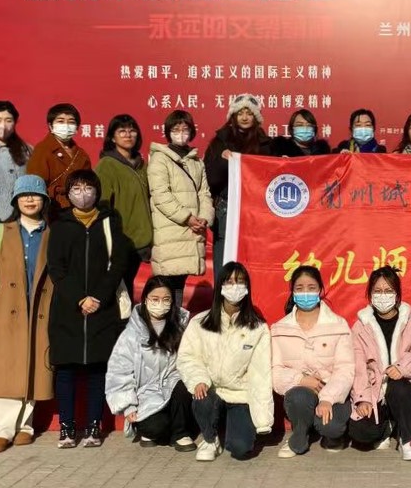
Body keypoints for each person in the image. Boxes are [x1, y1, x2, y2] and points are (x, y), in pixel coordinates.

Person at [0, 175, 55, 453]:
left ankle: (23, 426)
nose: (30, 199)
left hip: (39, 310)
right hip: (4, 310)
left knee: (33, 366)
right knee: (3, 369)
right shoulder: (0, 232)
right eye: (24, 195)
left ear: (44, 200)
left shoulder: (52, 234)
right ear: (16, 201)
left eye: (35, 194)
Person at [47, 169, 129, 449]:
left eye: (88, 187)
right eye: (77, 188)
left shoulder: (109, 222)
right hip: (68, 309)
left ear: (97, 191)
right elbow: (56, 269)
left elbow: (118, 263)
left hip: (102, 309)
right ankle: (67, 427)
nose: (83, 194)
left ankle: (94, 425)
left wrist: (98, 297)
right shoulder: (60, 225)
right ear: (68, 193)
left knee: (97, 370)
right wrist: (79, 299)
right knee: (66, 371)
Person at [177, 261, 273, 461]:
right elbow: (188, 357)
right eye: (229, 282)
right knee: (201, 398)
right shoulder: (200, 322)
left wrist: (263, 420)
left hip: (239, 395)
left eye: (240, 281)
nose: (234, 287)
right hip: (210, 390)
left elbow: (261, 374)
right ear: (220, 286)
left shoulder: (258, 328)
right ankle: (210, 439)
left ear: (247, 287)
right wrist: (199, 380)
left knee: (241, 449)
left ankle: (234, 427)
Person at [347, 267, 411, 461]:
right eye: (377, 291)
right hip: (374, 390)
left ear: (397, 294)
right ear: (370, 294)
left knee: (400, 387)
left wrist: (402, 369)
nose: (382, 296)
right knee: (361, 432)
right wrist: (362, 398)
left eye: (388, 291)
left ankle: (407, 439)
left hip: (404, 389)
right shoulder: (360, 327)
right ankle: (389, 426)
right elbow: (358, 367)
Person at [106, 277, 196, 452]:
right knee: (157, 428)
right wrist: (128, 405)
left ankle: (180, 433)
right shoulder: (131, 333)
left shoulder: (181, 326)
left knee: (184, 384)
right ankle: (152, 429)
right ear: (145, 299)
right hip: (145, 395)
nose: (160, 304)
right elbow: (119, 372)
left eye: (166, 299)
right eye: (155, 299)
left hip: (172, 386)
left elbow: (190, 360)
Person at [271, 266, 353, 458]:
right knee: (299, 397)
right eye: (299, 288)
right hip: (301, 392)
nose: (305, 293)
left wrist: (327, 398)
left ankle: (331, 435)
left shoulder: (338, 325)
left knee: (331, 426)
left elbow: (345, 368)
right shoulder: (280, 328)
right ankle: (299, 435)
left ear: (320, 290)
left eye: (311, 287)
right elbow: (275, 371)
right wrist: (300, 379)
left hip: (332, 390)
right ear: (292, 291)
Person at [148, 111, 213, 307]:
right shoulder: (160, 159)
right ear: (168, 132)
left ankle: (175, 321)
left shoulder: (196, 161)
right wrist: (187, 218)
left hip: (192, 232)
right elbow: (161, 195)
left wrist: (204, 218)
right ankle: (166, 322)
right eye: (176, 129)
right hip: (170, 231)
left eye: (185, 129)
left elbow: (204, 193)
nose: (181, 133)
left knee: (179, 284)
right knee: (165, 286)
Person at [204, 94, 272, 283]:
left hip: (257, 210)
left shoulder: (266, 144)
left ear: (256, 117)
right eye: (240, 113)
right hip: (227, 208)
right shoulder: (219, 142)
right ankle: (221, 299)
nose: (244, 117)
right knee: (224, 260)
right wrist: (223, 162)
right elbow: (210, 179)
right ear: (233, 116)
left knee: (254, 259)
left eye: (249, 113)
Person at [96, 114, 152, 299]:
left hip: (141, 241)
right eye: (122, 131)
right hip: (120, 240)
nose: (128, 135)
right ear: (112, 138)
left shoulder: (142, 165)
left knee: (128, 289)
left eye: (132, 130)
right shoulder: (107, 165)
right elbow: (102, 205)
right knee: (118, 292)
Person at [26, 103, 91, 211]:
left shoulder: (81, 154)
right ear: (51, 126)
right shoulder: (42, 149)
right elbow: (35, 185)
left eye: (71, 122)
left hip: (79, 208)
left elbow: (90, 183)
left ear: (77, 127)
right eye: (60, 121)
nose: (66, 126)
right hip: (52, 208)